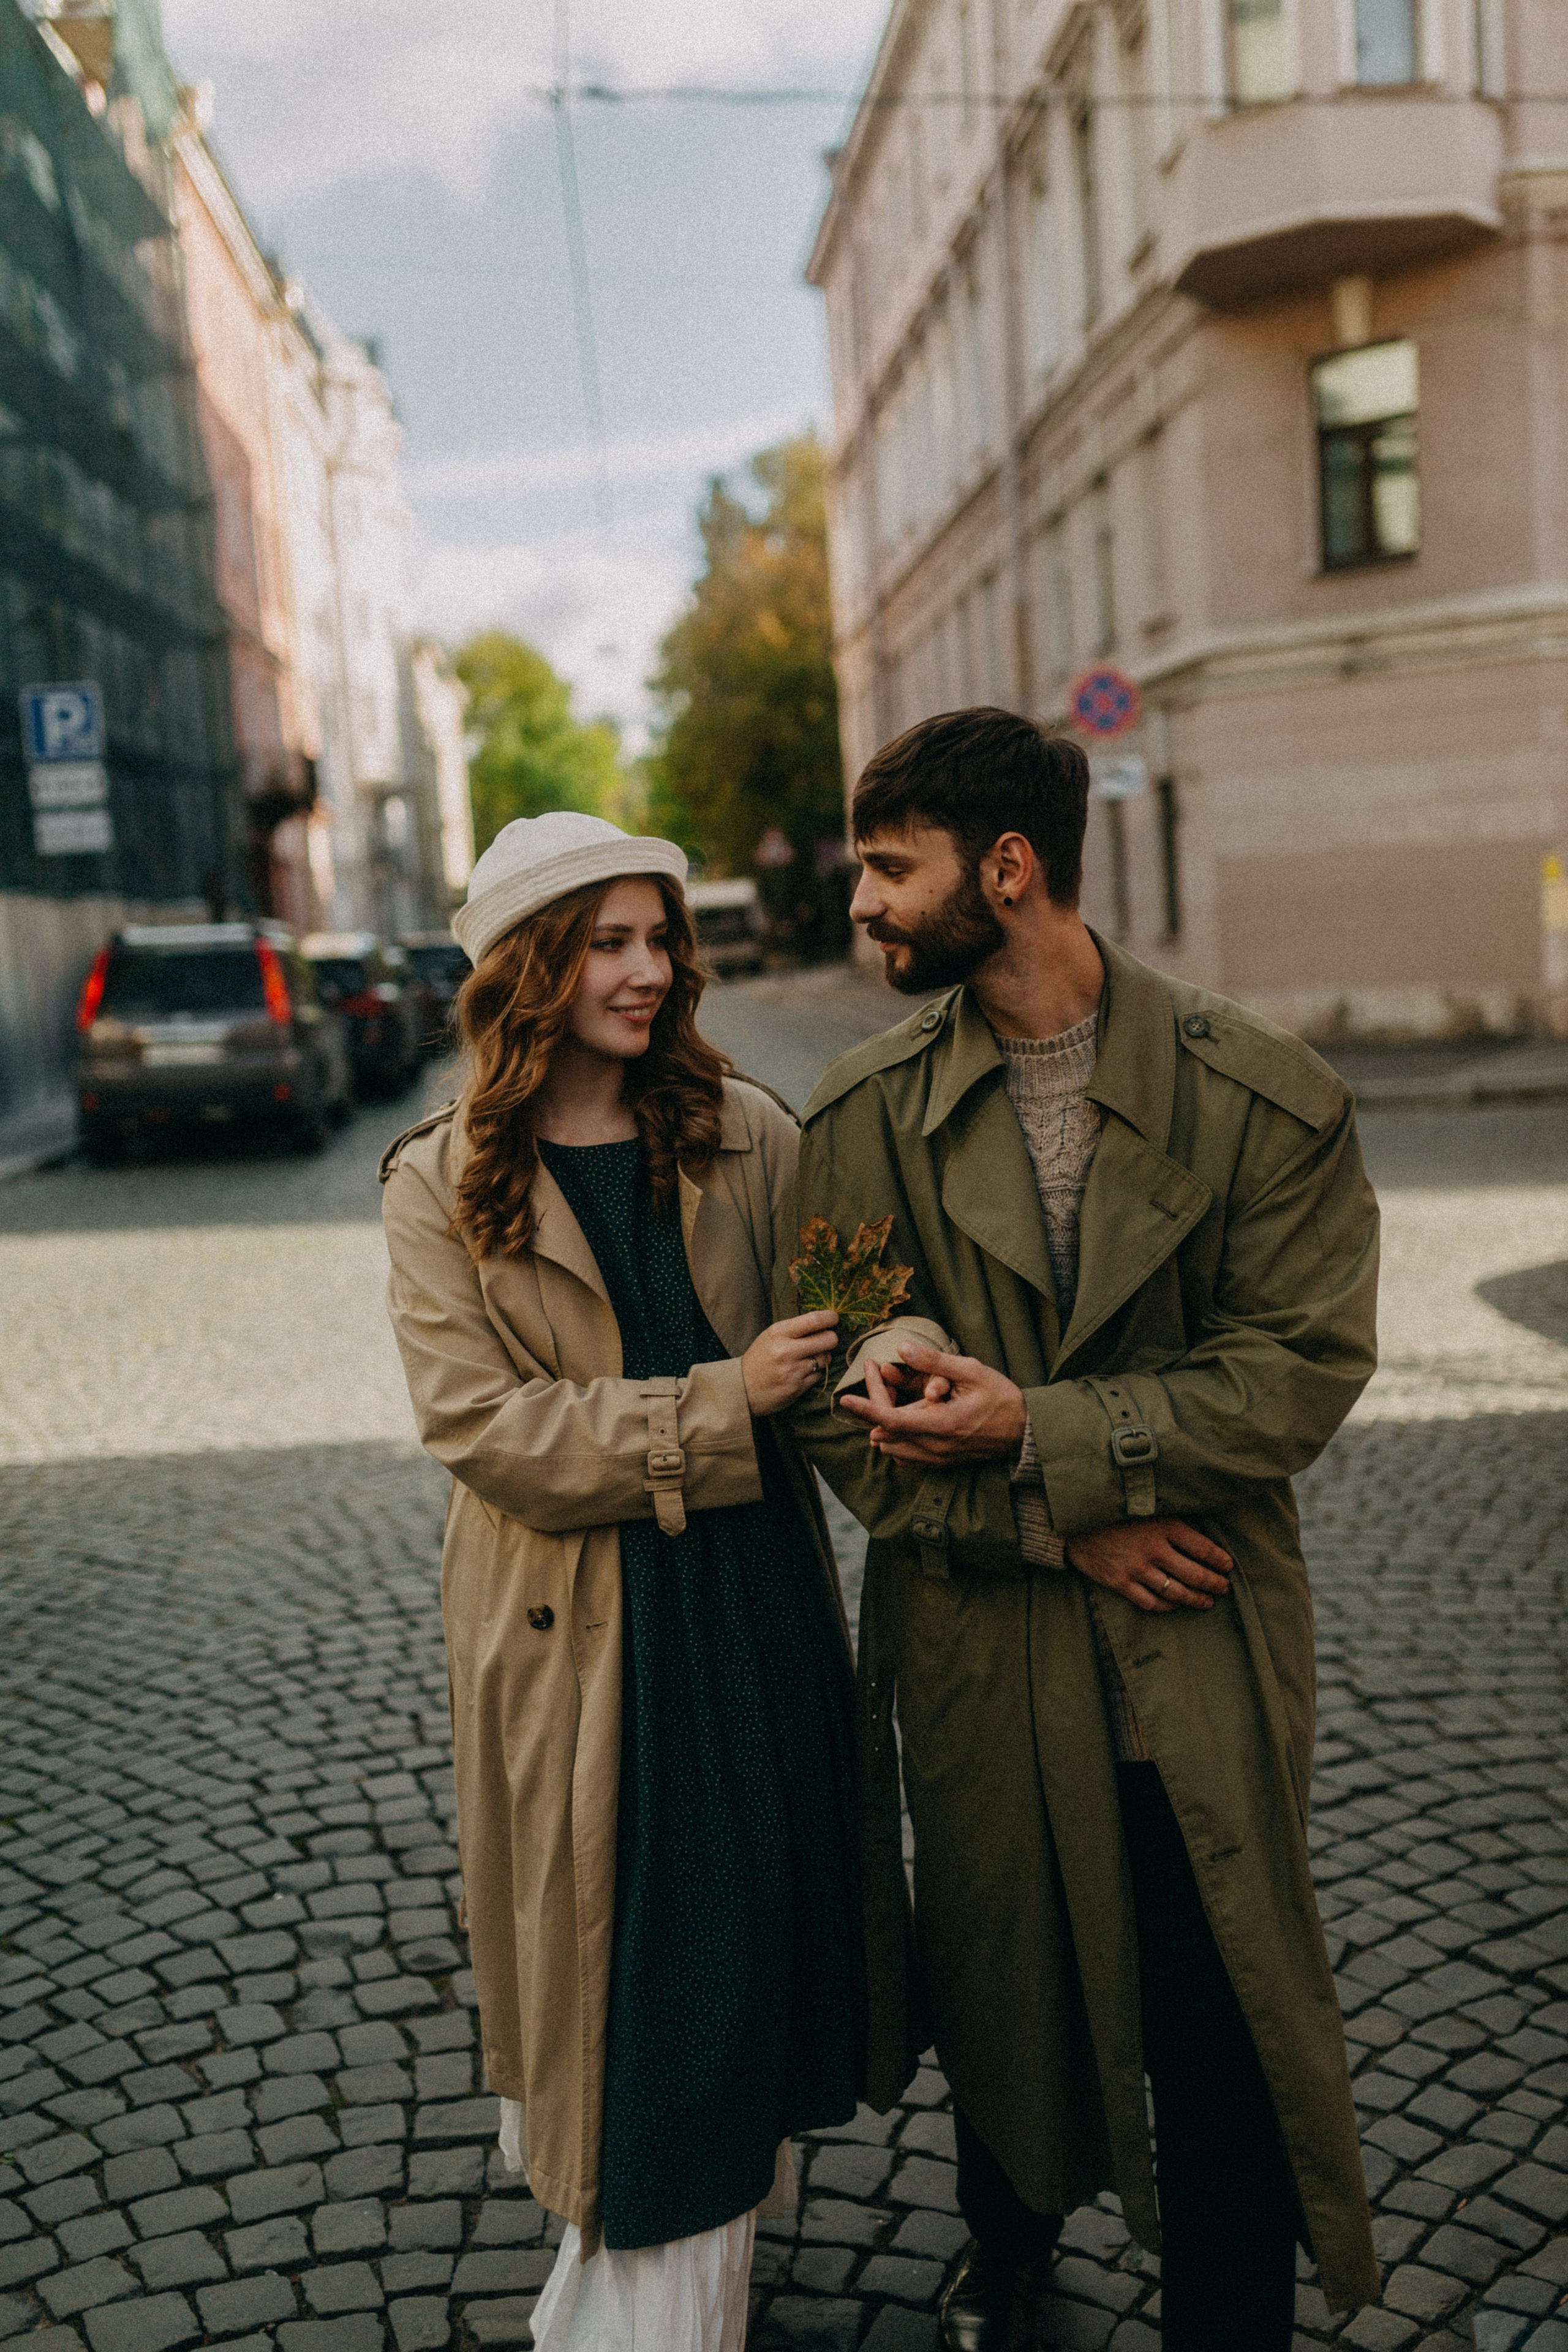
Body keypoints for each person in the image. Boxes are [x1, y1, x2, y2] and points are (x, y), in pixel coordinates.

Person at [783, 710, 1382, 2351]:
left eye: (890, 870)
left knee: (1225, 2019)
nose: (865, 905)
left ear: (1009, 868)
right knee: (1004, 1990)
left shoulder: (1264, 1100)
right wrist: (1063, 1527)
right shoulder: (865, 1115)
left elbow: (1297, 1373)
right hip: (986, 1647)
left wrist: (1039, 1434)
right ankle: (1012, 2248)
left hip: (1196, 1647)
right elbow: (849, 1404)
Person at [380, 812, 880, 2352]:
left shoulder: (745, 1130)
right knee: (639, 1986)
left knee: (739, 1965)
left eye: (659, 938)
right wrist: (725, 1402)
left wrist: (899, 1365)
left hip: (749, 1607)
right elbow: (485, 1427)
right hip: (578, 1644)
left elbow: (857, 1319)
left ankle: (672, 2273)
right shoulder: (439, 1181)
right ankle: (644, 2293)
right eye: (607, 941)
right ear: (530, 968)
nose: (650, 970)